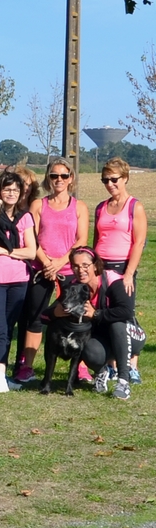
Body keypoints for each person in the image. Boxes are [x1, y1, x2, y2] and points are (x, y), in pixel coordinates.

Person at [16, 159, 88, 384]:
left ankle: (81, 367)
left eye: (64, 176)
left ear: (71, 179)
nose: (59, 180)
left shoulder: (79, 207)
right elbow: (32, 237)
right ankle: (26, 366)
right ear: (48, 178)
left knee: (77, 318)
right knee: (35, 318)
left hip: (69, 271)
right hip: (41, 269)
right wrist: (47, 263)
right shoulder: (39, 204)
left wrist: (60, 262)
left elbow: (82, 240)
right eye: (54, 176)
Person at [40, 247, 135, 399]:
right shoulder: (74, 287)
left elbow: (127, 312)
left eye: (85, 265)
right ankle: (102, 372)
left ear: (96, 265)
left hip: (128, 334)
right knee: (87, 349)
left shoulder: (113, 281)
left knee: (117, 324)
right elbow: (43, 316)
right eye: (76, 266)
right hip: (101, 337)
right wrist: (54, 313)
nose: (80, 270)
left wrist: (96, 313)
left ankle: (123, 381)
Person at [0, 171, 38, 394]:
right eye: (6, 189)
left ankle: (0, 376)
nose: (11, 193)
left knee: (7, 328)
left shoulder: (25, 218)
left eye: (15, 189)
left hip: (19, 279)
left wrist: (4, 251)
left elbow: (31, 251)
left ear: (21, 192)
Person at [94, 158, 147, 381]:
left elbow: (139, 242)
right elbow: (96, 238)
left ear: (125, 178)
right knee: (104, 316)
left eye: (114, 179)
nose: (110, 184)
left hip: (122, 269)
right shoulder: (101, 207)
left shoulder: (135, 207)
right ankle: (111, 364)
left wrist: (128, 274)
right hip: (101, 269)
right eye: (105, 180)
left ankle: (132, 365)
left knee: (124, 316)